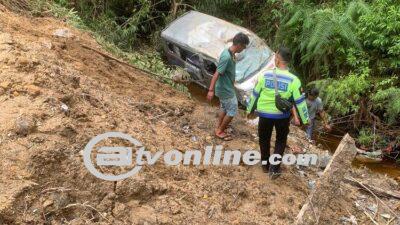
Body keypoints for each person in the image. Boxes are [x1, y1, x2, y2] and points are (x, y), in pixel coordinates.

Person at [246, 47, 309, 179]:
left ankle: (265, 165)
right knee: (280, 140)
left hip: (264, 115)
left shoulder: (264, 75)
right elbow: (300, 102)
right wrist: (305, 119)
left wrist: (249, 110)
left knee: (264, 138)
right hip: (282, 116)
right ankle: (274, 169)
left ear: (277, 59)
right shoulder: (294, 80)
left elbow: (255, 94)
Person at [207, 32, 250, 140]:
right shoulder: (227, 57)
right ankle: (220, 131)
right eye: (244, 46)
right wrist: (210, 90)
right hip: (225, 89)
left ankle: (219, 126)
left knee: (224, 107)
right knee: (232, 110)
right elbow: (217, 73)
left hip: (227, 87)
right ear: (239, 44)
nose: (243, 49)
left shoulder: (230, 54)